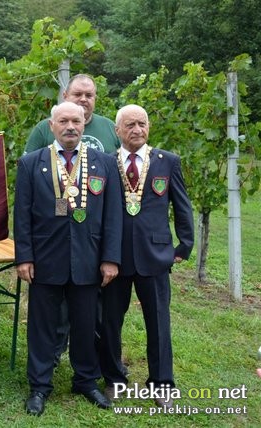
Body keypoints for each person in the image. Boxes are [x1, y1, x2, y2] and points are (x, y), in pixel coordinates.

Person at [14, 101, 123, 415]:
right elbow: (22, 216)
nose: (71, 127)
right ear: (52, 126)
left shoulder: (104, 164)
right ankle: (39, 385)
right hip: (46, 258)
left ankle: (86, 381)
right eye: (63, 121)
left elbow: (113, 216)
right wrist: (25, 257)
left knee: (86, 324)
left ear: (84, 123)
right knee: (42, 326)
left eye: (76, 120)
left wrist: (110, 258)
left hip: (89, 259)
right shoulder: (32, 163)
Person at [100, 104, 194, 409]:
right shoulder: (105, 162)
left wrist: (184, 246)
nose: (137, 130)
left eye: (142, 124)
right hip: (114, 257)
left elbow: (182, 206)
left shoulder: (168, 162)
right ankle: (114, 379)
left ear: (149, 127)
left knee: (158, 322)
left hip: (155, 256)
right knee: (110, 321)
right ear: (117, 131)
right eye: (129, 125)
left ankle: (162, 384)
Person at [23, 73, 121, 155]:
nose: (83, 99)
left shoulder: (110, 127)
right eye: (77, 94)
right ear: (65, 96)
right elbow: (27, 165)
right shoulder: (44, 128)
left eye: (89, 95)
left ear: (95, 98)